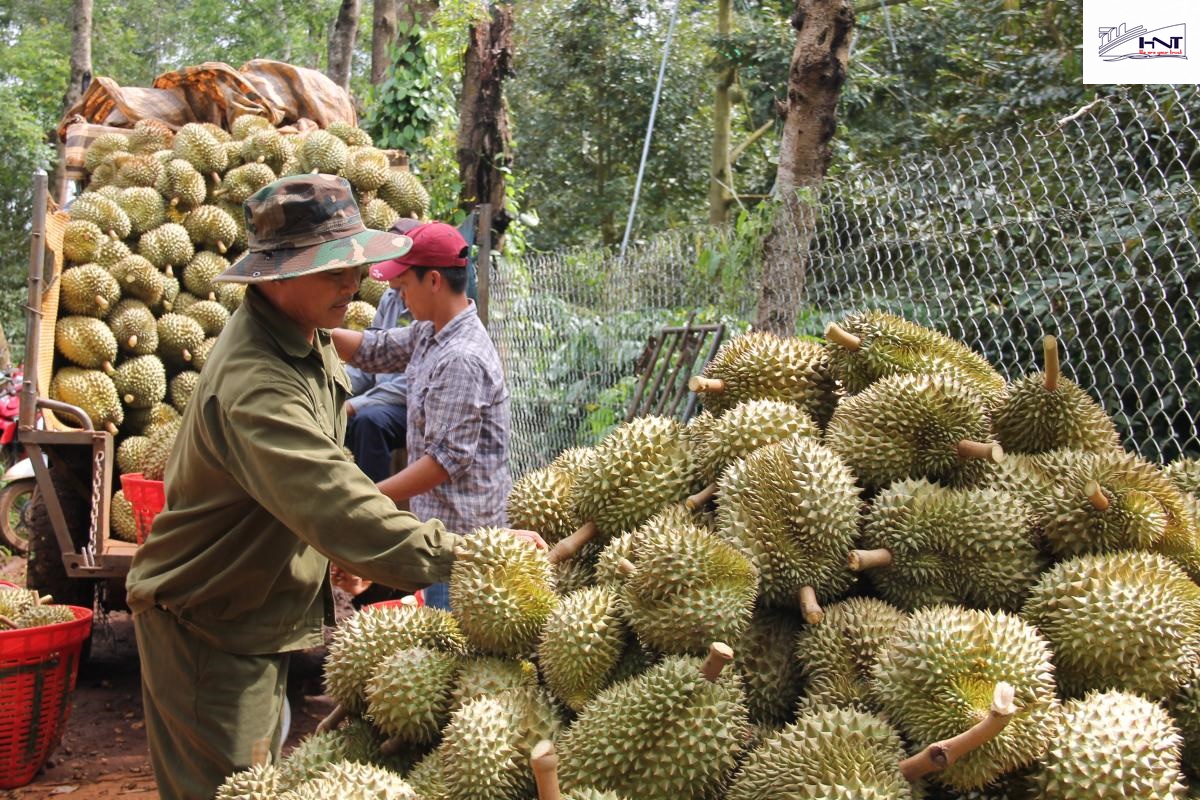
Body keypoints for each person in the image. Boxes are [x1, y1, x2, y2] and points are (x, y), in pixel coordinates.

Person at [124, 174, 542, 800]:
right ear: (279, 276)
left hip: (251, 611)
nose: (352, 284)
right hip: (208, 623)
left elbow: (314, 486)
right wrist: (480, 553)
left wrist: (329, 555)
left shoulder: (306, 337)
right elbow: (333, 500)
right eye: (332, 271)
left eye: (354, 267)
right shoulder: (257, 385)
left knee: (260, 774)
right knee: (232, 790)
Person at [331, 221, 512, 609]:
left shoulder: (462, 357)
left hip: (464, 544)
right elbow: (375, 349)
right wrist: (312, 331)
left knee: (454, 646)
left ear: (433, 281)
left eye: (403, 287)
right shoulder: (431, 331)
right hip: (438, 533)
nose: (399, 297)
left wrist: (370, 498)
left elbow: (444, 462)